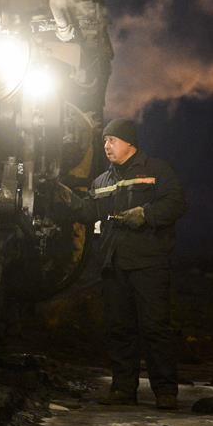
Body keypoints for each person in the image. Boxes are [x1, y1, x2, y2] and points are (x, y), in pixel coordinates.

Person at [58, 119, 187, 409]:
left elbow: (176, 203)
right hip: (113, 265)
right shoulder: (102, 182)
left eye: (112, 140)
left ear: (130, 143)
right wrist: (67, 200)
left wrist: (146, 213)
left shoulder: (156, 171)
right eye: (104, 141)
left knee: (155, 328)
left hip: (149, 264)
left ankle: (165, 392)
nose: (106, 146)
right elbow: (90, 210)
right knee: (120, 329)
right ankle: (123, 389)